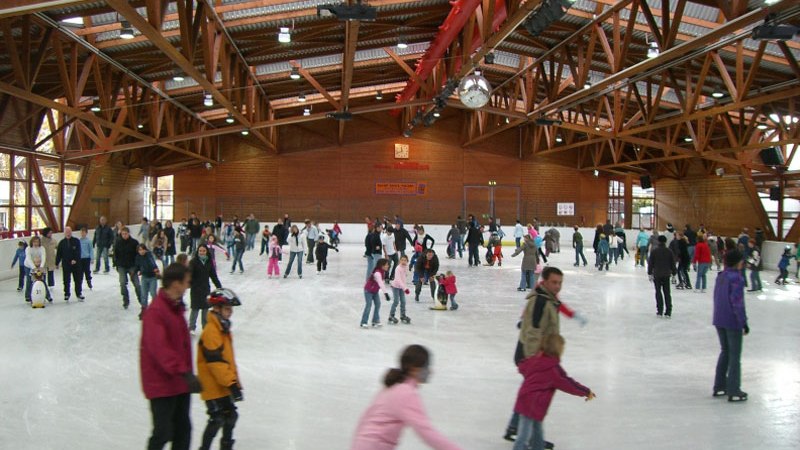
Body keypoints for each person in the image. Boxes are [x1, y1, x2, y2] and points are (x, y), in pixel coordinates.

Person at [351, 345, 463, 450]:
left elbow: (365, 420)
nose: (430, 371)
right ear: (414, 369)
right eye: (427, 366)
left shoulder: (393, 387)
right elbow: (426, 431)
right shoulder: (405, 393)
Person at [140, 263, 201, 450]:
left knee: (183, 431)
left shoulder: (176, 308)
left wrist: (186, 374)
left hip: (178, 383)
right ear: (175, 284)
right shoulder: (156, 312)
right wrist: (184, 372)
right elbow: (160, 349)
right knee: (163, 432)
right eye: (186, 282)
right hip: (161, 384)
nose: (188, 286)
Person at [506, 267, 564, 444]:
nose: (557, 286)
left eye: (560, 283)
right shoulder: (540, 302)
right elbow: (533, 333)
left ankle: (516, 429)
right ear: (544, 281)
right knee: (533, 396)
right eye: (554, 282)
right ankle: (528, 437)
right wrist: (536, 363)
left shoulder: (549, 299)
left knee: (531, 394)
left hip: (537, 356)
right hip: (530, 356)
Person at [512, 334, 595, 450]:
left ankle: (537, 447)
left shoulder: (535, 360)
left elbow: (522, 366)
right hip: (534, 404)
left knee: (537, 431)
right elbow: (568, 384)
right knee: (524, 435)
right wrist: (586, 391)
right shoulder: (553, 369)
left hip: (525, 399)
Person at [197, 288, 243, 450]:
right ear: (216, 309)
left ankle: (226, 446)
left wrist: (234, 383)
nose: (230, 313)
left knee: (231, 416)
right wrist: (231, 383)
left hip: (222, 385)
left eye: (231, 309)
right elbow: (216, 362)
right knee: (217, 419)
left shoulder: (222, 328)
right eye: (227, 309)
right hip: (212, 386)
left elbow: (228, 360)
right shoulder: (211, 331)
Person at [712, 249, 749, 402]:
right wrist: (743, 322)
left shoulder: (721, 277)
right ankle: (734, 388)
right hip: (732, 321)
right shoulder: (737, 278)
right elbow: (737, 303)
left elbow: (716, 297)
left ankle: (720, 385)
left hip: (719, 319)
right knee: (734, 356)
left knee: (725, 352)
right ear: (738, 262)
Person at [189, 244, 222, 334]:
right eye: (200, 251)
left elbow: (213, 275)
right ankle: (191, 327)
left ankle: (205, 326)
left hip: (205, 288)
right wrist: (188, 283)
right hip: (195, 288)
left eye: (203, 251)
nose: (202, 252)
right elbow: (189, 274)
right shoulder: (193, 262)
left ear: (206, 251)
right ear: (198, 252)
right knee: (195, 308)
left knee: (205, 308)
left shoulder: (209, 262)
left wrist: (219, 286)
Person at [114, 227, 142, 309]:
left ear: (129, 233)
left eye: (126, 234)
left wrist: (138, 266)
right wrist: (116, 264)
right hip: (121, 266)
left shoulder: (134, 243)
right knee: (122, 283)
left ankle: (141, 300)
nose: (124, 235)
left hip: (132, 266)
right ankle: (125, 300)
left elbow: (138, 255)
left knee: (137, 284)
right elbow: (115, 254)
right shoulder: (118, 243)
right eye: (123, 234)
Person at [648, 235, 676, 318]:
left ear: (658, 241)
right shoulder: (669, 251)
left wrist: (649, 273)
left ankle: (660, 311)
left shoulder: (654, 251)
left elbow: (650, 263)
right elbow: (672, 263)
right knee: (667, 292)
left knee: (658, 292)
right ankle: (668, 311)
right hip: (666, 274)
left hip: (657, 274)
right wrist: (674, 273)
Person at [55, 226, 84, 302]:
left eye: (69, 232)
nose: (68, 233)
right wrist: (57, 263)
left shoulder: (76, 241)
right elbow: (59, 254)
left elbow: (78, 252)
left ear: (71, 232)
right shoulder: (62, 243)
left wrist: (75, 259)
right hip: (66, 264)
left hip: (76, 264)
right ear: (64, 233)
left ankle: (79, 293)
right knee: (66, 280)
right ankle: (67, 294)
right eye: (66, 232)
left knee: (77, 279)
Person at [361, 258, 390, 328]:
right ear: (382, 266)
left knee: (378, 304)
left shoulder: (382, 271)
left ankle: (375, 321)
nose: (388, 266)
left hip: (374, 291)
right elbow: (380, 283)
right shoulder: (377, 273)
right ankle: (363, 322)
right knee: (369, 305)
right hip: (368, 291)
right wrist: (385, 293)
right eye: (386, 265)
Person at [136, 244, 161, 319]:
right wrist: (137, 271)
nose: (141, 251)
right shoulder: (138, 257)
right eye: (139, 250)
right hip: (144, 277)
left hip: (152, 277)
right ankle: (144, 310)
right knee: (144, 295)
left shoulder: (149, 256)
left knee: (153, 293)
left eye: (142, 249)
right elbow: (138, 265)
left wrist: (155, 269)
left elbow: (152, 263)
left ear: (145, 249)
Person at [24, 236, 51, 303]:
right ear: (32, 242)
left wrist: (41, 267)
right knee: (29, 281)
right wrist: (34, 268)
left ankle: (47, 296)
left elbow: (43, 257)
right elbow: (29, 259)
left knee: (43, 280)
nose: (36, 243)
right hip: (29, 266)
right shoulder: (28, 249)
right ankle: (28, 296)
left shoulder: (42, 248)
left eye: (37, 242)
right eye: (34, 242)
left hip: (40, 266)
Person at [388, 255, 411, 325]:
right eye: (402, 260)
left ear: (407, 261)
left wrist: (407, 267)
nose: (403, 262)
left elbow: (407, 275)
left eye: (405, 260)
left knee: (403, 301)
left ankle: (402, 315)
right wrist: (405, 288)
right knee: (396, 301)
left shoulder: (405, 267)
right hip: (395, 287)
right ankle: (391, 315)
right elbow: (398, 280)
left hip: (402, 287)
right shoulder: (398, 268)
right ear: (400, 261)